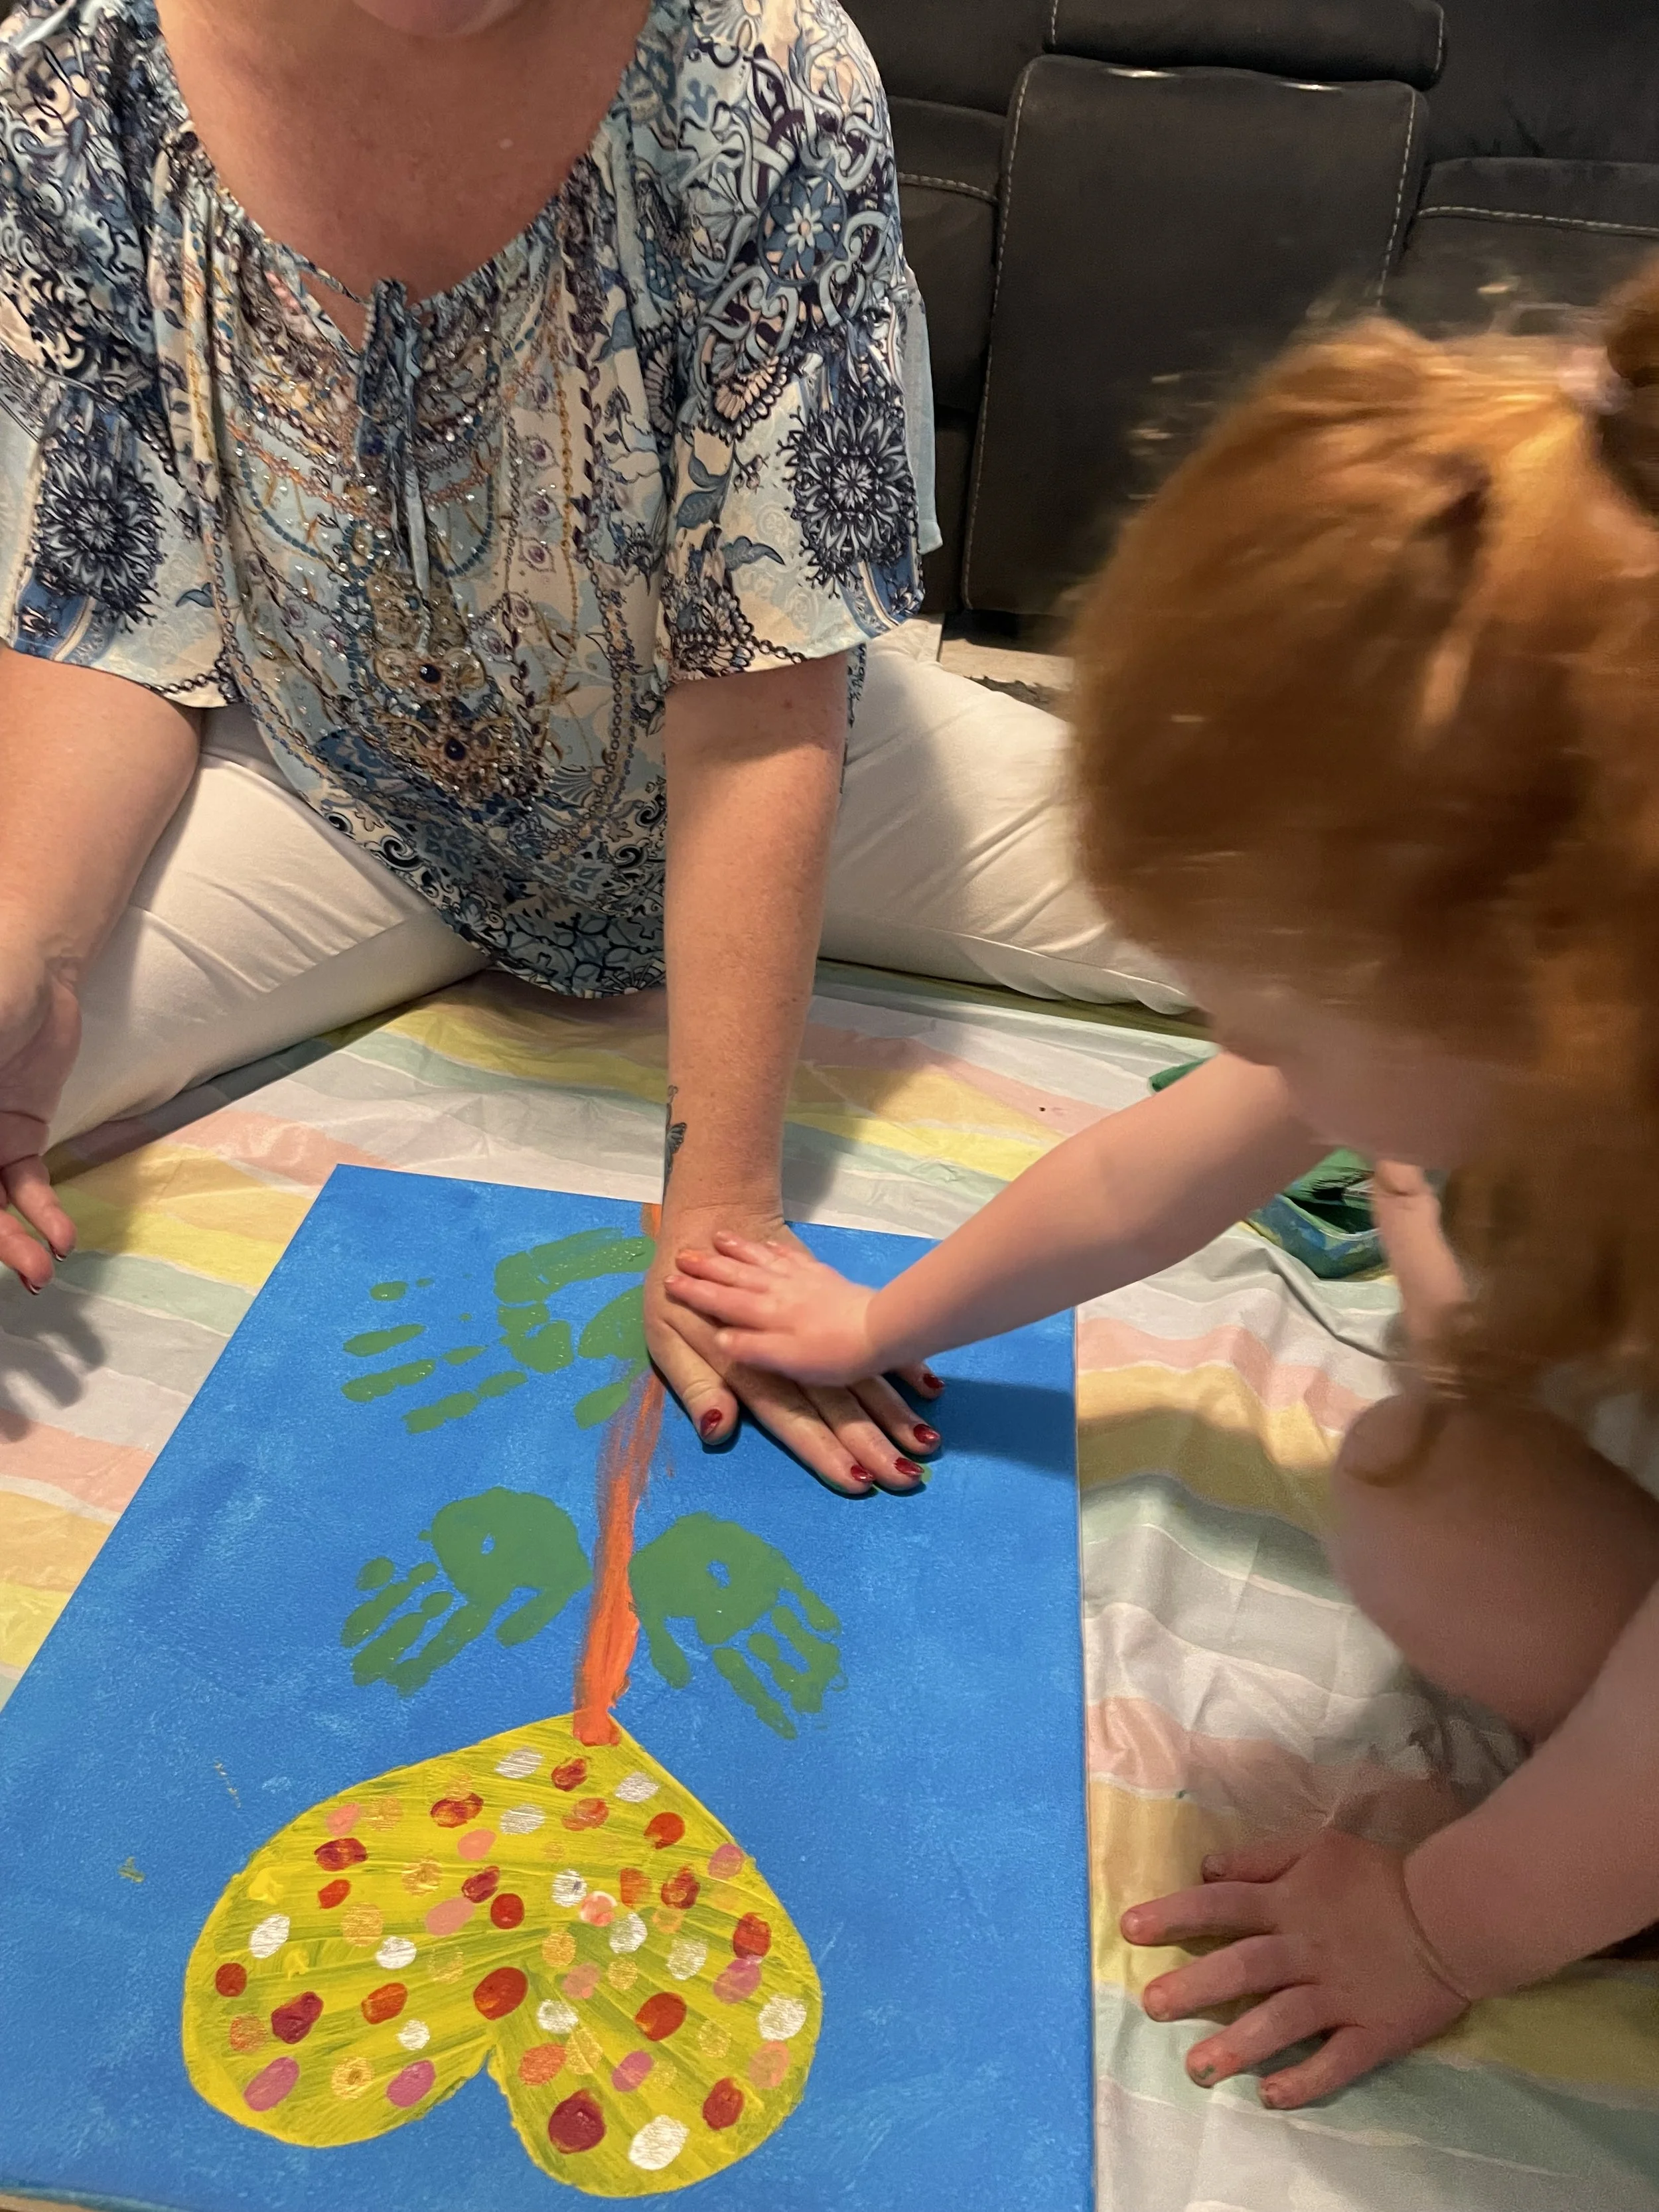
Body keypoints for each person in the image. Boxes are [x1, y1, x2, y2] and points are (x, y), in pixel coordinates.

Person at [666, 263, 1659, 2104]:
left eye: (1256, 991)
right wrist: (876, 1314)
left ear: (1534, 995)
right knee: (1436, 1453)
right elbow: (1144, 1176)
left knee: (1419, 1487)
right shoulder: (1515, 968)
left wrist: (1441, 1923)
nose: (1218, 1020)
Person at [0, 0, 1177, 1492]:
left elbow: (758, 704)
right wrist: (29, 936)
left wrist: (722, 1203)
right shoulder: (74, 65)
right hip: (327, 788)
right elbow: (107, 603)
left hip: (764, 757)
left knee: (1316, 931)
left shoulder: (770, 69)